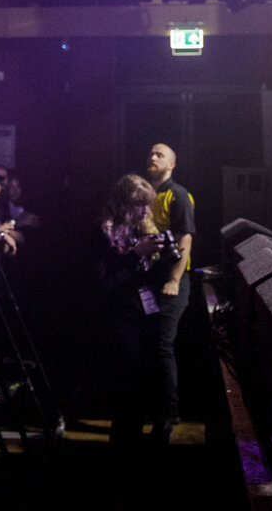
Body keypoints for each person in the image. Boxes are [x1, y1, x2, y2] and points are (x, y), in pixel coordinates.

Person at [92, 173, 170, 459]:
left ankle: (133, 444)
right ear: (125, 205)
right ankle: (121, 450)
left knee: (142, 382)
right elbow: (105, 277)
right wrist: (137, 253)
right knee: (127, 383)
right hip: (119, 314)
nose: (146, 211)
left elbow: (145, 272)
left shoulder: (139, 228)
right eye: (141, 205)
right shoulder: (104, 230)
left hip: (144, 311)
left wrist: (161, 256)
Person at [143, 143, 194, 443]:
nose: (153, 157)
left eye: (160, 154)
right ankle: (152, 409)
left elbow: (185, 239)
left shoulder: (179, 195)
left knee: (162, 346)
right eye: (151, 153)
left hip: (170, 280)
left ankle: (167, 415)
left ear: (172, 164)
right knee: (150, 346)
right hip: (148, 280)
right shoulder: (145, 195)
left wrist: (174, 279)